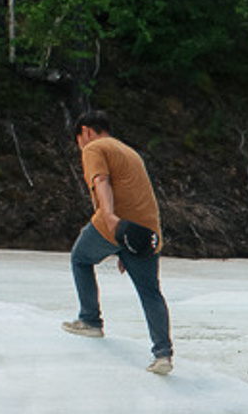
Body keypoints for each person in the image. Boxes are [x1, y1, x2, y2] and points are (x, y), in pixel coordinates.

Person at [60, 111, 173, 372]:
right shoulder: (130, 152)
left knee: (80, 258)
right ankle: (163, 354)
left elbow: (101, 181)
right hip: (146, 231)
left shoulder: (94, 148)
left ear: (86, 131)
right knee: (150, 292)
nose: (80, 146)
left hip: (116, 223)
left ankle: (90, 320)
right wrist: (127, 247)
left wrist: (110, 217)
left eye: (79, 139)